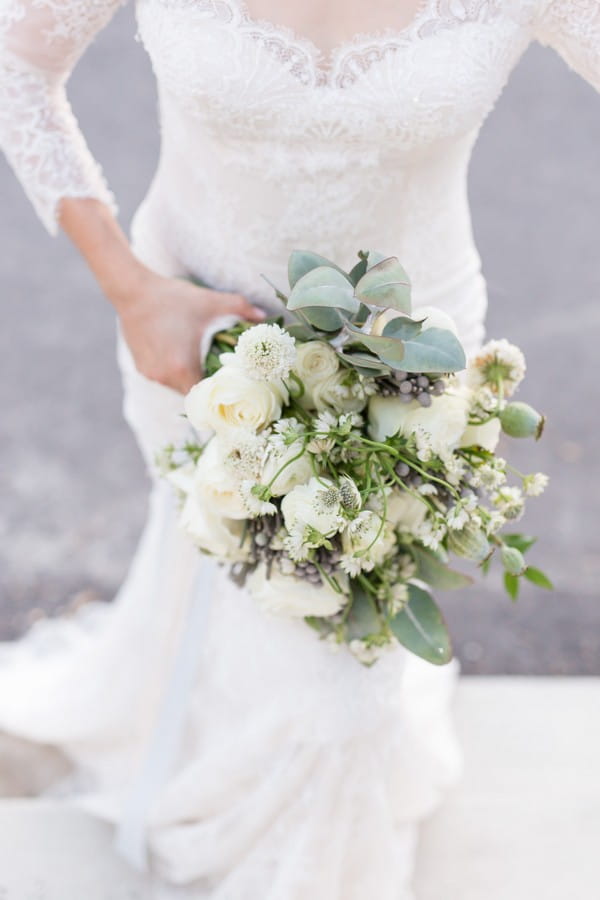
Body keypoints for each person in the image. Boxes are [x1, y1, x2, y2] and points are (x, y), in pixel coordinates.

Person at [0, 2, 598, 897]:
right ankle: (188, 724)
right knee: (211, 577)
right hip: (191, 347)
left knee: (338, 704)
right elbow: (17, 60)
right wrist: (132, 291)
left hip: (406, 386)